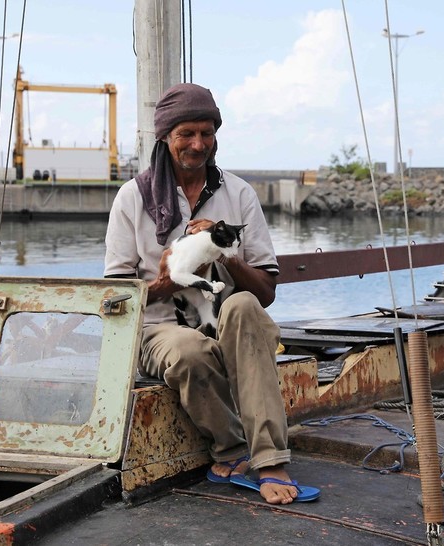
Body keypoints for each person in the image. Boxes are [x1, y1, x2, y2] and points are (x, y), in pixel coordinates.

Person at [104, 82, 317, 505]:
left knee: (243, 304)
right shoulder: (132, 198)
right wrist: (168, 281)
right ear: (165, 137)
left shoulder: (238, 194)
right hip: (158, 328)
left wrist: (228, 256)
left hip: (224, 320)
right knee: (189, 350)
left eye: (207, 133)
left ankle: (271, 458)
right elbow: (114, 303)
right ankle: (234, 449)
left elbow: (267, 291)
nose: (198, 144)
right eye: (187, 134)